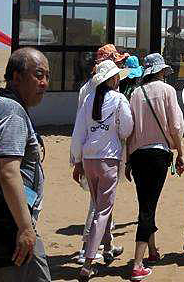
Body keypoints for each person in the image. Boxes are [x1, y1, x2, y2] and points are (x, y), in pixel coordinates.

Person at [0, 49, 51, 282]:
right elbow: (8, 172)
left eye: (47, 76)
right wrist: (25, 228)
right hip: (9, 235)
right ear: (16, 77)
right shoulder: (11, 111)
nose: (44, 83)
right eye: (38, 75)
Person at [70, 60, 133, 280]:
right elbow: (127, 128)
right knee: (102, 210)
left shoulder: (88, 100)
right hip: (108, 159)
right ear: (113, 79)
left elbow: (79, 133)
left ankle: (107, 248)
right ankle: (88, 261)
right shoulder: (118, 99)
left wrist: (76, 160)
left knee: (100, 206)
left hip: (89, 159)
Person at [126, 53, 184, 281]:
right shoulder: (168, 91)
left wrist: (128, 160)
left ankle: (151, 251)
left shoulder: (135, 94)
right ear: (161, 71)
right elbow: (175, 126)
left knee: (146, 203)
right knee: (148, 207)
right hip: (159, 154)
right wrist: (180, 152)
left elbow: (129, 131)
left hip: (138, 155)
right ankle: (138, 263)